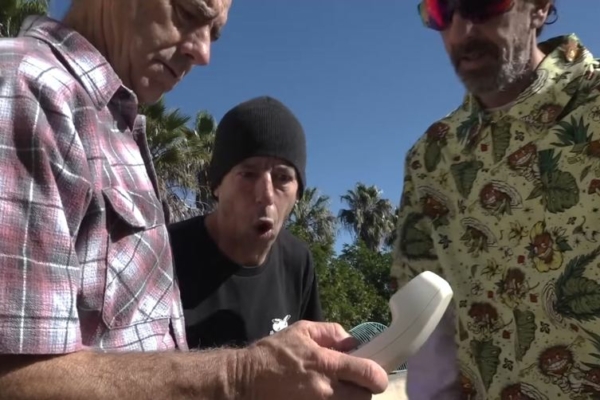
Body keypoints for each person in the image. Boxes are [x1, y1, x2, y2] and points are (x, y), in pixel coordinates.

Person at [0, 1, 388, 398]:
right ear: (216, 184)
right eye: (188, 12)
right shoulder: (26, 91)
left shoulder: (109, 121)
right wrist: (241, 376)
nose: (203, 54)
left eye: (214, 33)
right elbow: (12, 376)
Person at [391, 0, 600, 399]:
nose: (461, 32)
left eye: (480, 5)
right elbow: (430, 333)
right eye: (440, 12)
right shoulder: (431, 158)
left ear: (539, 8)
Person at [169, 96, 323, 349]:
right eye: (248, 174)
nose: (266, 194)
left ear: (298, 194)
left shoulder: (297, 261)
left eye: (283, 177)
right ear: (217, 185)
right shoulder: (165, 254)